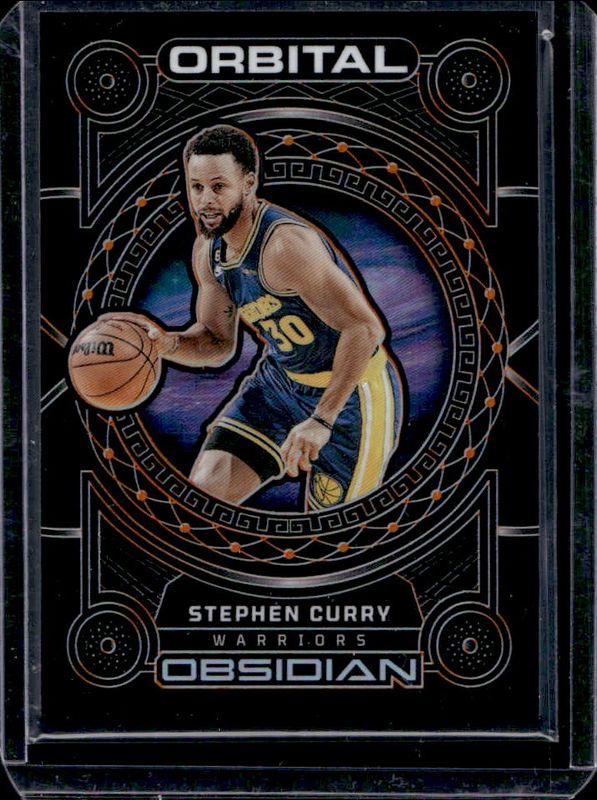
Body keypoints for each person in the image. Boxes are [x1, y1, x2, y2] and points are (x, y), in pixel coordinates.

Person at [104, 125, 405, 509]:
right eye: (196, 187)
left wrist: (321, 420)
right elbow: (217, 342)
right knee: (202, 498)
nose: (205, 200)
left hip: (352, 393)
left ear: (248, 184)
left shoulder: (285, 246)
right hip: (279, 383)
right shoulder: (208, 251)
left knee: (329, 532)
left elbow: (364, 328)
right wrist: (166, 343)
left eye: (218, 187)